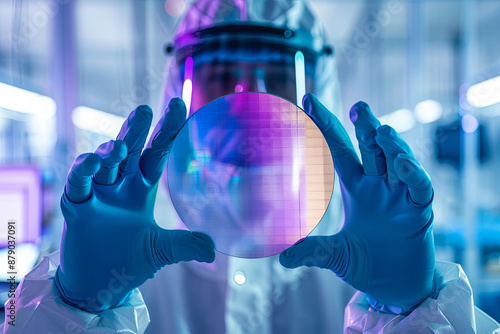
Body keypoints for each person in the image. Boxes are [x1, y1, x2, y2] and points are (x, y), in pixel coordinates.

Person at [2, 0, 500, 333]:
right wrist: (74, 309)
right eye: (219, 74)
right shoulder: (103, 241)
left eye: (277, 74)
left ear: (318, 88)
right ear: (179, 88)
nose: (248, 96)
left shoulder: (367, 244)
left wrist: (414, 310)